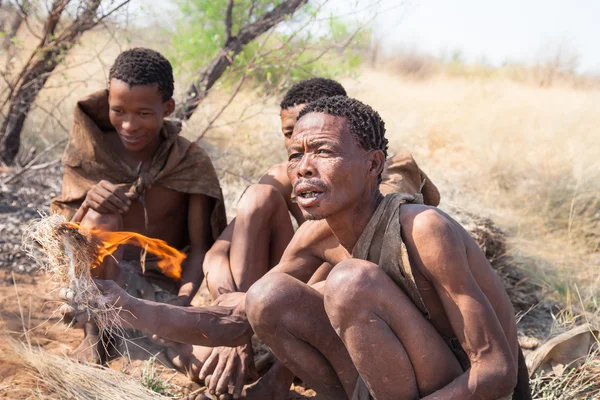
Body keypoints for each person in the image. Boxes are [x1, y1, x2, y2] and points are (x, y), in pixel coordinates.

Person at [66, 95, 531, 399]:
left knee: (350, 282)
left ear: (374, 164)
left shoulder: (424, 229)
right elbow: (237, 319)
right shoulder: (317, 235)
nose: (304, 168)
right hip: (391, 386)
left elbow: (495, 371)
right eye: (295, 156)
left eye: (324, 152)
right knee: (270, 297)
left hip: (470, 392)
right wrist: (125, 305)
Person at [51, 48, 227, 363]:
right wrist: (88, 202)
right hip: (96, 292)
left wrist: (181, 303)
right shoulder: (92, 151)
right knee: (101, 212)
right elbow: (65, 234)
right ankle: (98, 336)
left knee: (199, 364)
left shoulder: (188, 162)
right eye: (119, 111)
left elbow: (201, 246)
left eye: (144, 114)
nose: (129, 125)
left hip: (156, 292)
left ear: (168, 108)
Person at [203, 77, 440, 299]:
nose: (302, 137)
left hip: (340, 288)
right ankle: (242, 329)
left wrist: (275, 298)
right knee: (258, 195)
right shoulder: (287, 174)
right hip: (281, 278)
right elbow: (217, 253)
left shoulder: (373, 174)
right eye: (290, 132)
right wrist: (230, 299)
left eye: (317, 132)